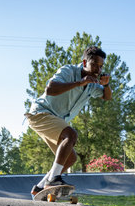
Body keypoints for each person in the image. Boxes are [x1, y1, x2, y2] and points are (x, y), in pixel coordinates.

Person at [25, 46, 112, 197]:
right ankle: (53, 180)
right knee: (71, 135)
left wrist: (105, 84)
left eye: (101, 66)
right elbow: (50, 89)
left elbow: (107, 97)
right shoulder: (68, 71)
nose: (98, 70)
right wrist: (79, 83)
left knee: (71, 158)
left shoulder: (92, 84)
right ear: (85, 62)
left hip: (56, 119)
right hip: (40, 113)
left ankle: (39, 188)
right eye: (95, 65)